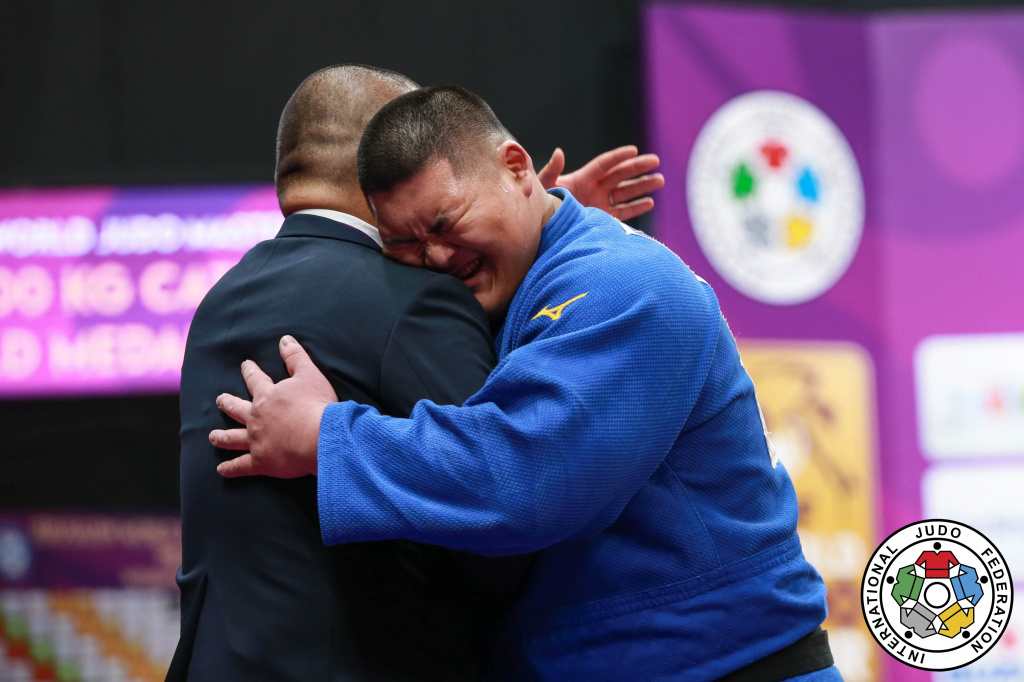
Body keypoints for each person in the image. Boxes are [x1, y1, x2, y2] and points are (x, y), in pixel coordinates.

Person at [211, 85, 837, 681]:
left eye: (445, 220)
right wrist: (521, 222)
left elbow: (527, 479)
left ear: (517, 167)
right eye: (403, 242)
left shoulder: (624, 284)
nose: (433, 257)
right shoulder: (528, 282)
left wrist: (327, 438)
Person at [169, 67, 665, 682]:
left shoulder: (223, 298)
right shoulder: (414, 297)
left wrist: (531, 222)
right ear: (379, 173)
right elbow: (500, 525)